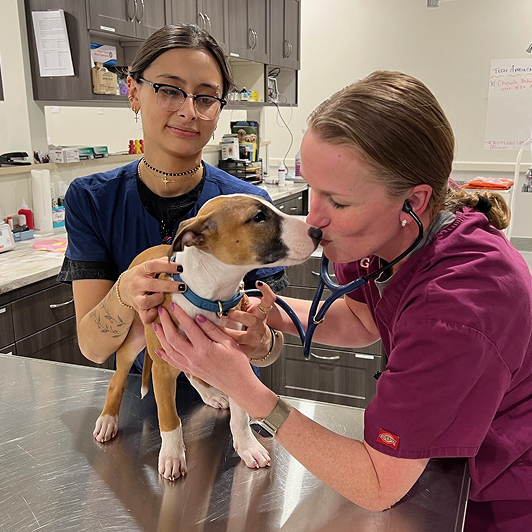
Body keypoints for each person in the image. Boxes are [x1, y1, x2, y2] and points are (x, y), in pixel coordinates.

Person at [152, 71, 532, 531]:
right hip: (438, 466)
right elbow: (360, 317)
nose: (312, 218)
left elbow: (377, 485)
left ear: (414, 200)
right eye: (311, 185)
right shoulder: (399, 232)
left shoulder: (461, 306)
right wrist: (268, 312)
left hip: (494, 493)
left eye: (337, 200)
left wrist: (246, 390)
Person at [58, 23, 287, 374]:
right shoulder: (93, 200)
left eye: (206, 98)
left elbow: (270, 346)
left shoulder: (247, 205)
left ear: (218, 110)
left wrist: (263, 341)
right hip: (140, 396)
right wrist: (125, 291)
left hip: (231, 396)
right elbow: (92, 348)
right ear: (133, 92)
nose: (188, 111)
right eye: (169, 90)